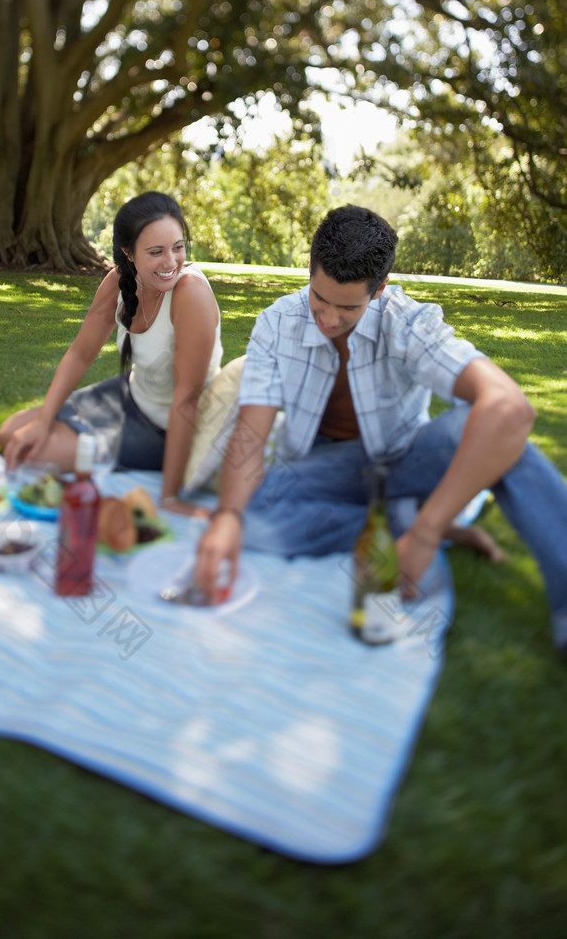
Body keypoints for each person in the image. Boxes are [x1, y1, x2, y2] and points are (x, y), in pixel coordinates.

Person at [195, 204, 567, 656]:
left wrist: (426, 532)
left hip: (403, 461)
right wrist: (229, 518)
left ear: (379, 289)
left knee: (496, 427)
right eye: (319, 298)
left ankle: (427, 530)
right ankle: (403, 527)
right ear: (308, 269)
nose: (329, 318)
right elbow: (251, 436)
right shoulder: (277, 322)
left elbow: (511, 408)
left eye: (348, 306)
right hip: (321, 468)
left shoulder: (406, 321)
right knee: (249, 520)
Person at [0, 191, 222, 516]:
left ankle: (123, 458)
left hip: (167, 427)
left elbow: (186, 401)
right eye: (156, 252)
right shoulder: (120, 280)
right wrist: (43, 422)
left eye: (178, 247)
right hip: (127, 395)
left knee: (33, 453)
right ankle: (64, 435)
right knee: (12, 433)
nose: (171, 262)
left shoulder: (190, 294)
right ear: (129, 253)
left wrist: (171, 497)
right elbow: (80, 354)